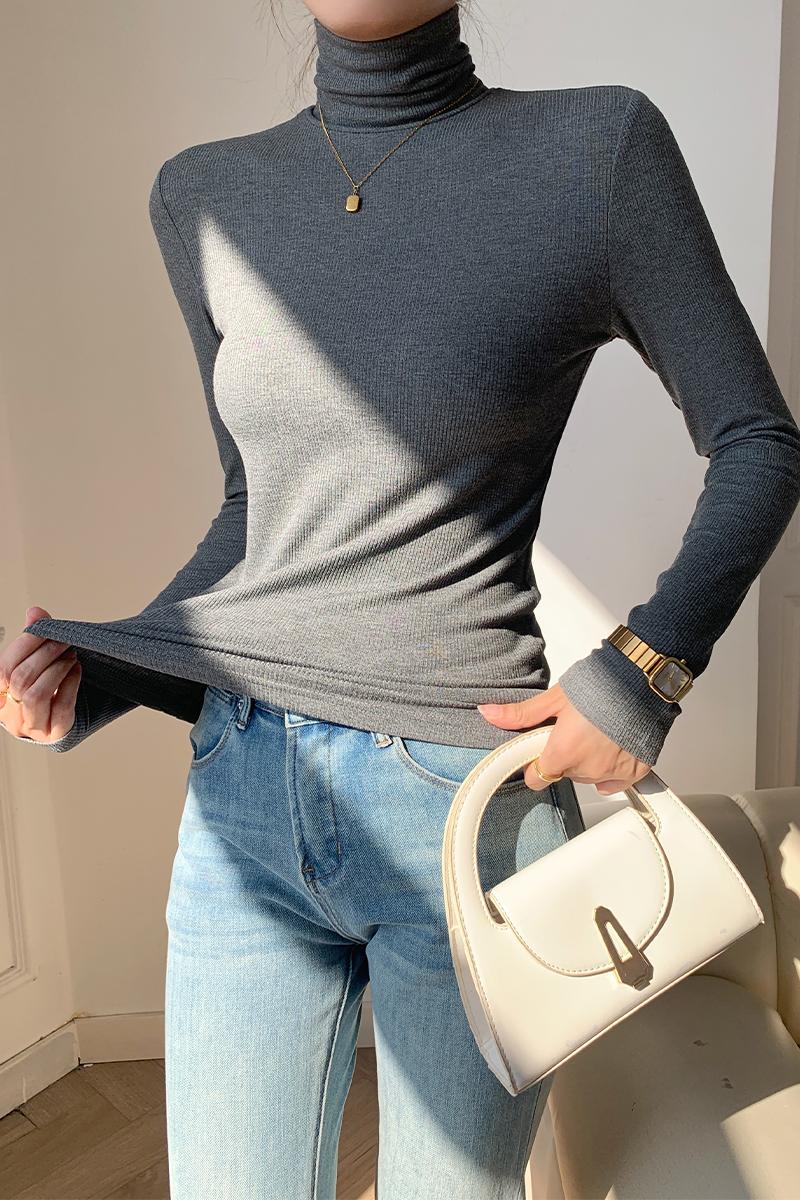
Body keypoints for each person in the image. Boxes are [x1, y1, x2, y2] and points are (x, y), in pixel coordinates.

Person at [2, 1, 800, 1195]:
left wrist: (644, 671)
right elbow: (259, 516)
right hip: (240, 797)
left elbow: (756, 442)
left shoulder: (596, 152)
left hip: (462, 811)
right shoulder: (202, 193)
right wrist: (108, 672)